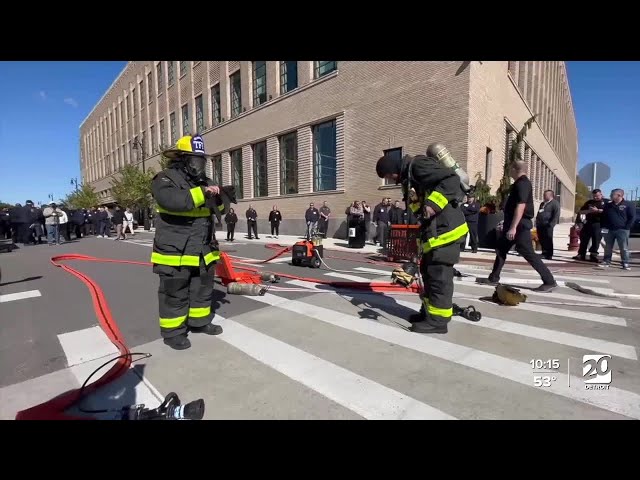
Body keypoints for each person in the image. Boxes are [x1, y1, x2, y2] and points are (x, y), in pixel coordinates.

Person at [376, 151, 469, 334]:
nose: (391, 180)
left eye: (389, 176)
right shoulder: (408, 178)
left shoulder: (419, 166)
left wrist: (433, 205)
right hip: (433, 234)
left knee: (439, 278)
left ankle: (438, 321)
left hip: (446, 232)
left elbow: (451, 180)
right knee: (428, 273)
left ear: (393, 168)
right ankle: (428, 313)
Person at [150, 134, 223, 351]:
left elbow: (217, 210)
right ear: (182, 159)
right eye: (194, 160)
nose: (199, 165)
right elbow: (173, 201)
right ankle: (173, 333)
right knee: (175, 291)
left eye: (201, 160)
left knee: (202, 288)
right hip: (175, 250)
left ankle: (199, 322)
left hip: (202, 248)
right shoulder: (164, 179)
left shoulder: (206, 182)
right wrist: (204, 193)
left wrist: (220, 197)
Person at [477, 161, 557, 291]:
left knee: (527, 252)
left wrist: (513, 227)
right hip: (513, 223)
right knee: (501, 250)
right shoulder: (519, 183)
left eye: (510, 169)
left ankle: (549, 281)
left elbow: (521, 206)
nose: (509, 172)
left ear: (515, 169)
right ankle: (493, 278)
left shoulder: (523, 183)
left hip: (520, 225)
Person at [599, 188, 635, 270]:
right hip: (609, 229)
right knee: (608, 246)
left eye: (612, 194)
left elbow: (632, 217)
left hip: (622, 230)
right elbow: (603, 217)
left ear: (619, 195)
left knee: (623, 247)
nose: (610, 196)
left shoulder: (628, 205)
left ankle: (625, 262)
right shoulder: (608, 205)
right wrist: (603, 227)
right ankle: (606, 261)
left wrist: (627, 227)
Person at [573, 189, 606, 263]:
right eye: (594, 196)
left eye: (597, 196)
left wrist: (597, 210)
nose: (595, 198)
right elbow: (581, 211)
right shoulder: (589, 202)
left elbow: (608, 212)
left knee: (596, 240)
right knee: (584, 239)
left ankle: (593, 255)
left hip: (599, 224)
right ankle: (581, 254)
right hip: (588, 223)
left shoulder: (606, 202)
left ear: (601, 194)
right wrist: (589, 211)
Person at [535, 189, 560, 260]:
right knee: (541, 239)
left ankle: (549, 254)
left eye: (545, 195)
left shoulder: (555, 203)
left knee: (548, 239)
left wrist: (551, 224)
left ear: (550, 195)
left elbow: (556, 215)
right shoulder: (543, 203)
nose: (544, 196)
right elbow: (539, 212)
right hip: (540, 224)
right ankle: (544, 252)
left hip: (548, 225)